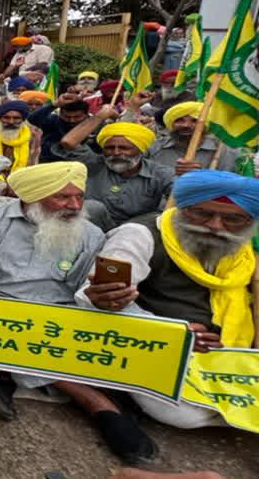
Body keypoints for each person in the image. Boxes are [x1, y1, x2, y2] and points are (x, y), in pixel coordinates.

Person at [0, 162, 159, 465]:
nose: (74, 205)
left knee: (127, 333)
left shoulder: (90, 233)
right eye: (63, 198)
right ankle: (99, 404)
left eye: (79, 196)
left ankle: (7, 373)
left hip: (56, 313)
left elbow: (81, 288)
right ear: (32, 197)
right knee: (8, 338)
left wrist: (103, 298)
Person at [84, 170, 257, 429]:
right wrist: (173, 332)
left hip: (228, 350)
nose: (215, 226)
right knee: (182, 415)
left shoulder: (243, 251)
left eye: (233, 219)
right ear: (182, 207)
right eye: (202, 214)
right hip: (157, 346)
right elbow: (96, 295)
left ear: (249, 221)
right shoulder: (139, 235)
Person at [56, 115, 174, 226]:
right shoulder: (94, 164)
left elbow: (180, 196)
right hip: (94, 226)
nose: (116, 153)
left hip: (138, 229)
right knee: (92, 207)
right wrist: (101, 115)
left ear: (140, 150)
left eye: (124, 148)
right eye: (110, 148)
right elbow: (68, 142)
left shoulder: (159, 173)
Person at [149, 102, 238, 175]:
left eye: (195, 121)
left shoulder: (223, 150)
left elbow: (231, 184)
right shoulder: (155, 148)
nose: (186, 125)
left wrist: (199, 176)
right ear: (171, 124)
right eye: (179, 120)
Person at [28, 93, 98, 163]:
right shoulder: (53, 121)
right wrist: (55, 104)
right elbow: (32, 120)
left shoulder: (95, 125)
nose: (72, 120)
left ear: (86, 114)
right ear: (60, 113)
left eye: (77, 117)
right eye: (67, 117)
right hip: (51, 162)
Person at [0, 100, 38, 178]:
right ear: (0, 118)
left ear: (23, 120)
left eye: (16, 118)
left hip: (20, 177)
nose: (11, 122)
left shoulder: (32, 135)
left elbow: (32, 162)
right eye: (6, 118)